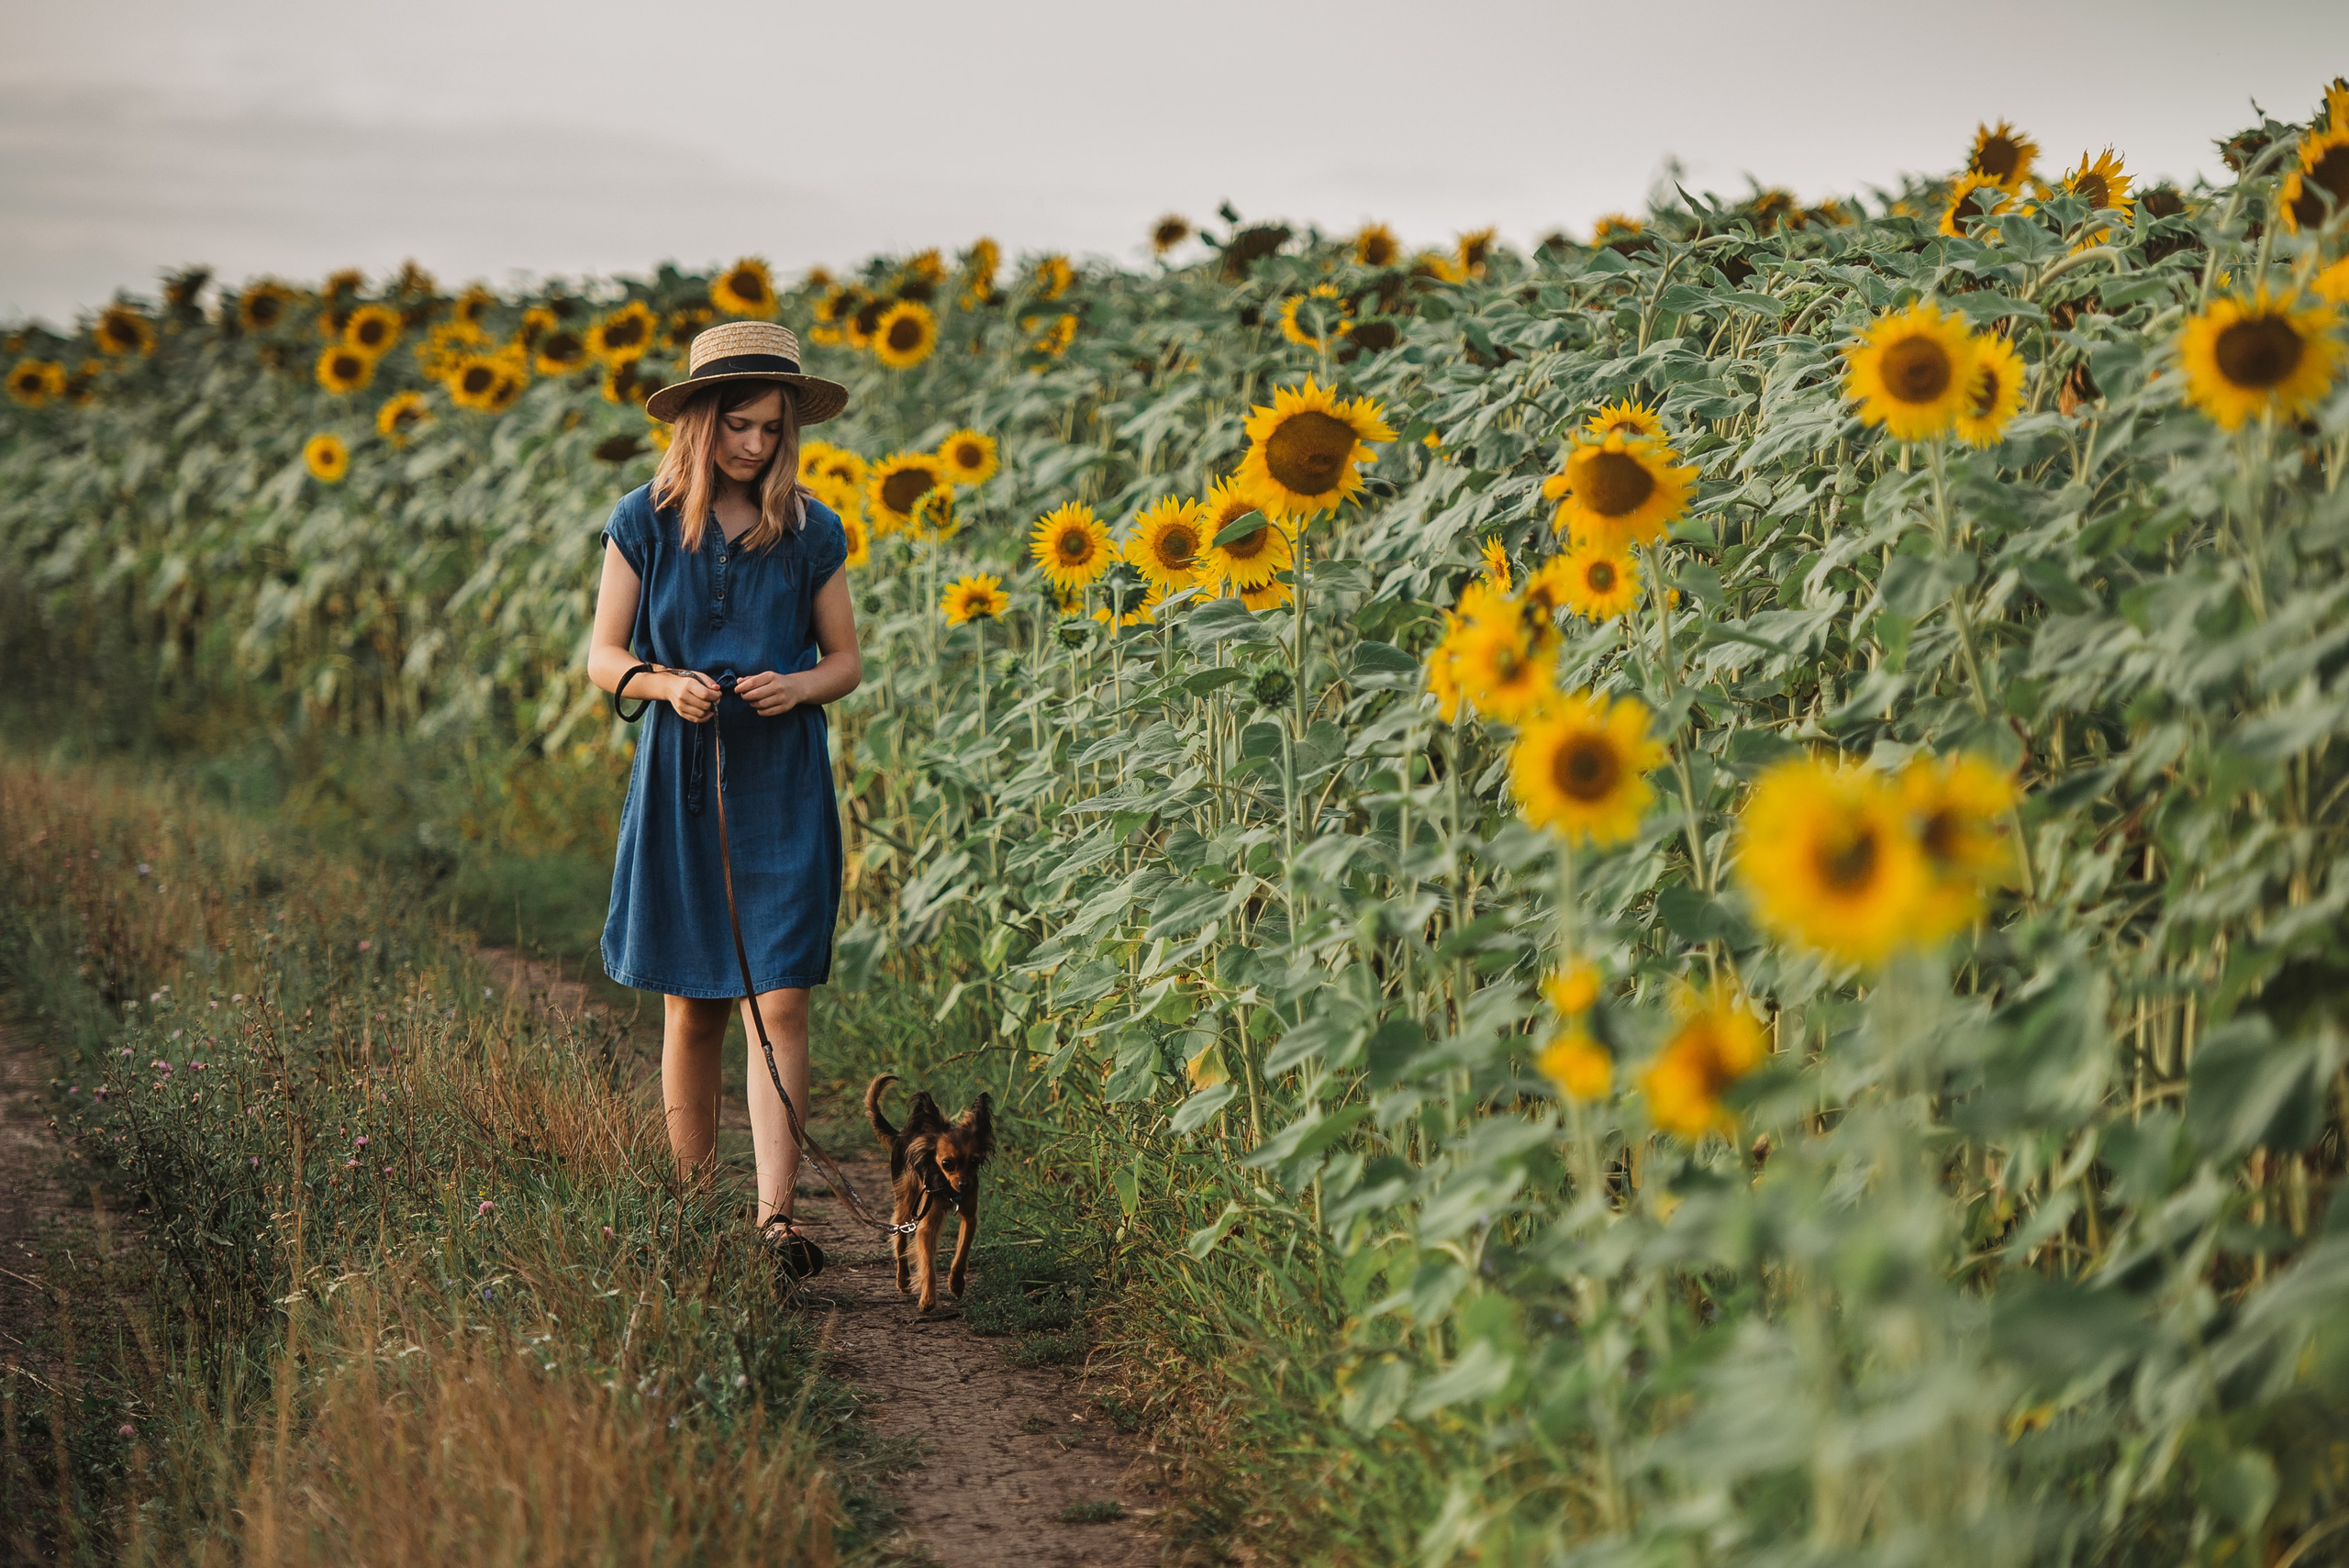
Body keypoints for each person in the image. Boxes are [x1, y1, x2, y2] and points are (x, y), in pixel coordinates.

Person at [586, 321, 860, 1275]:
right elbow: (603, 655)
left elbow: (845, 660)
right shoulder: (643, 520)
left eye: (773, 428)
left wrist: (799, 684)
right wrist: (666, 684)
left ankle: (777, 1221)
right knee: (692, 1003)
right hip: (682, 776)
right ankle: (693, 1209)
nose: (755, 444)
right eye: (740, 425)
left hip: (782, 776)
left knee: (778, 999)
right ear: (701, 421)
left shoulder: (811, 529)